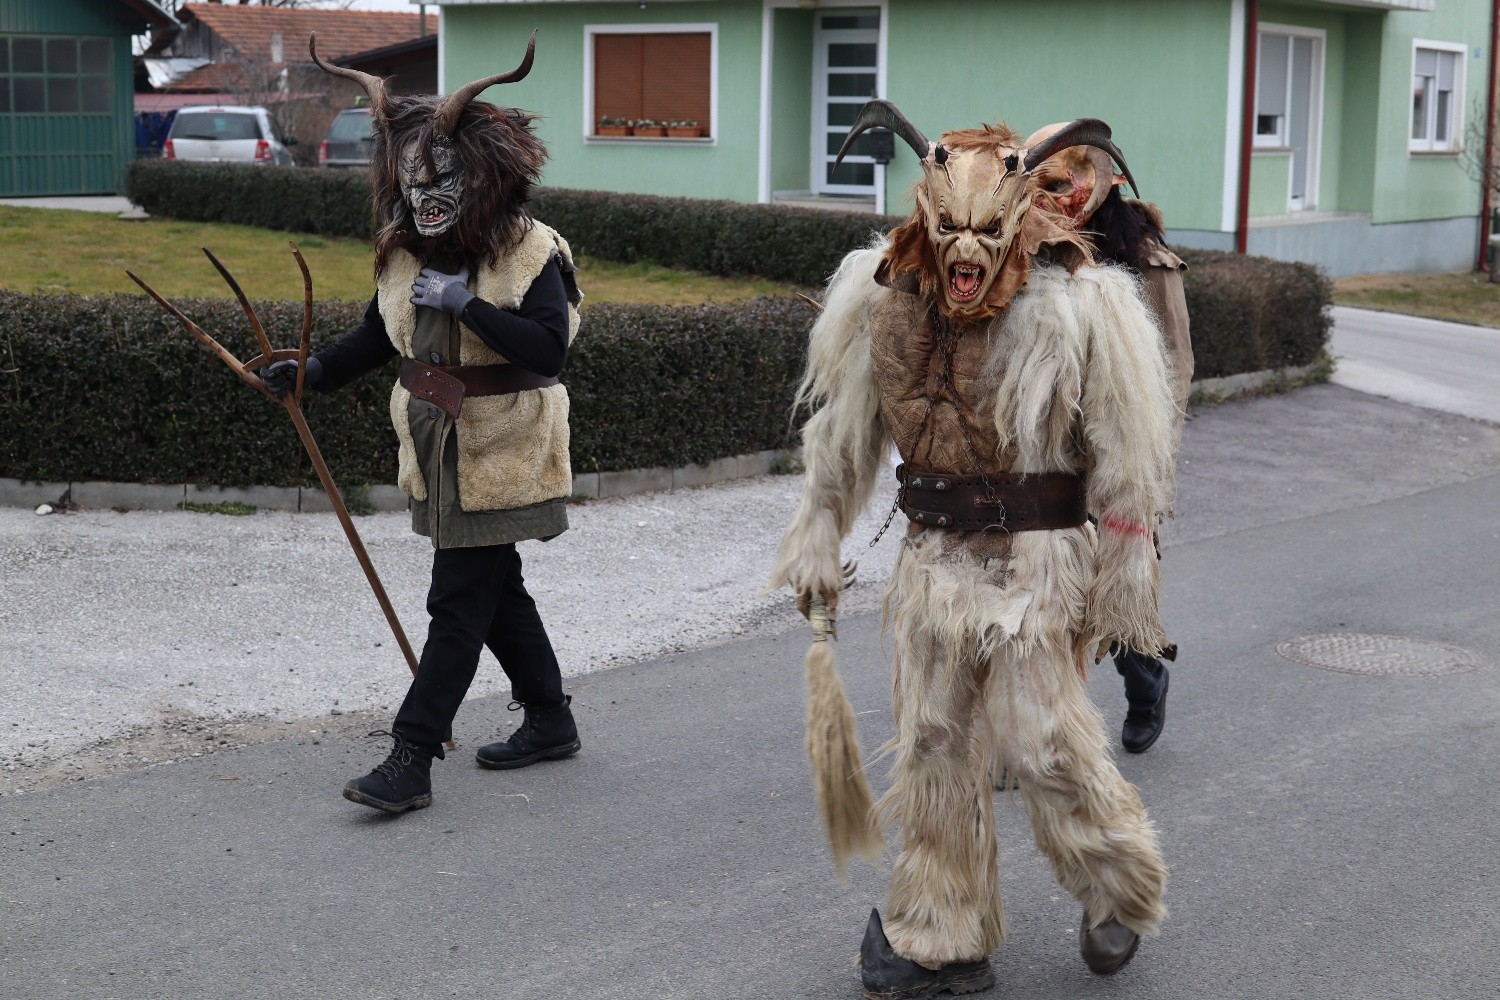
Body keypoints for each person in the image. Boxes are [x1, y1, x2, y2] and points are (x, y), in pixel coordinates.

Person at [772, 104, 1177, 996]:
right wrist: (817, 535)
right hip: (933, 557)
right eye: (948, 231)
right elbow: (843, 437)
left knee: (1038, 742)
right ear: (924, 212)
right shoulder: (878, 297)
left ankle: (1118, 886)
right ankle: (941, 933)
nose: (964, 256)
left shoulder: (1082, 302)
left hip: (1035, 553)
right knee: (932, 743)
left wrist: (1126, 568)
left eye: (985, 232)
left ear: (1018, 217)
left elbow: (1127, 455)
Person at [257, 33, 583, 814]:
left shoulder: (535, 251)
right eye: (412, 184)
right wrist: (314, 372)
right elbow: (380, 334)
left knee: (457, 602)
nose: (425, 198)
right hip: (435, 447)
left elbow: (548, 350)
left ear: (481, 175)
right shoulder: (403, 253)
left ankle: (411, 757)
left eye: (441, 181)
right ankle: (549, 718)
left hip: (501, 445)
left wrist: (467, 303)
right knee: (496, 590)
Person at [1026, 121, 1193, 754]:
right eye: (1051, 181)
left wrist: (1147, 469)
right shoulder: (1036, 248)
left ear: (1109, 181)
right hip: (1053, 448)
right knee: (1047, 592)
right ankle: (1048, 727)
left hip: (1122, 450)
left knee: (1117, 594)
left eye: (1073, 179)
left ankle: (1145, 681)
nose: (1061, 194)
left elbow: (1174, 368)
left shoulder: (1146, 260)